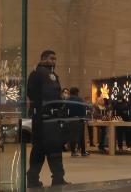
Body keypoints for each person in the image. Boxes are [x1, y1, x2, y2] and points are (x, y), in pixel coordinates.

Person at [26, 50, 68, 187]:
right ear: (43, 59)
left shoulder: (53, 75)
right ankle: (34, 179)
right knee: (40, 149)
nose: (54, 61)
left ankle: (57, 178)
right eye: (51, 58)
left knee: (52, 149)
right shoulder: (37, 74)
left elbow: (57, 95)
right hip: (42, 117)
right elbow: (31, 94)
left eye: (55, 59)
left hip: (51, 117)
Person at [67, 88, 89, 157]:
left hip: (71, 119)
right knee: (81, 136)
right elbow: (83, 109)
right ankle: (83, 152)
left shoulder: (68, 100)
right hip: (79, 119)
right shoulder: (80, 100)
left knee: (72, 136)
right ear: (76, 92)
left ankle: (73, 152)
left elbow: (64, 109)